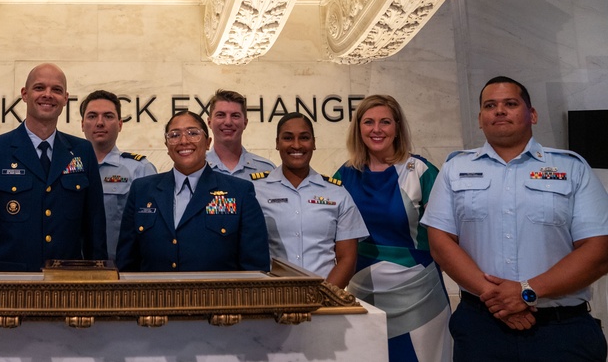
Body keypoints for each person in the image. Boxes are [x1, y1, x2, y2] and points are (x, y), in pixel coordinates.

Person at [423, 76, 608, 362]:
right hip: (482, 327)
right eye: (490, 105)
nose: (499, 111)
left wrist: (526, 291)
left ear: (532, 114)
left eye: (510, 103)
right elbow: (441, 243)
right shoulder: (454, 169)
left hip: (561, 330)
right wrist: (497, 298)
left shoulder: (572, 168)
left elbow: (598, 251)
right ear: (480, 118)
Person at [334, 94, 452, 362]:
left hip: (420, 295)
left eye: (385, 122)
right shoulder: (344, 174)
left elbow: (446, 237)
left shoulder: (421, 171)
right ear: (358, 128)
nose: (377, 129)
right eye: (369, 122)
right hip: (362, 294)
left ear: (397, 127)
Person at [0, 63, 108, 271]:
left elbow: (94, 229)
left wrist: (97, 283)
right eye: (39, 88)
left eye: (56, 90)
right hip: (8, 284)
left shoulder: (82, 151)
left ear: (65, 98)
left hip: (66, 284)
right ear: (24, 94)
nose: (48, 95)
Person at [115, 111, 269, 271]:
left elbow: (255, 268)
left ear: (208, 142)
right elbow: (127, 263)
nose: (183, 141)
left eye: (193, 133)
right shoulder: (142, 190)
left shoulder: (239, 192)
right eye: (174, 135)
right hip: (157, 295)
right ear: (167, 146)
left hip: (216, 295)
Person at [252, 113, 367, 288]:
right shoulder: (255, 190)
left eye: (304, 138)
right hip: (271, 297)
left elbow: (347, 258)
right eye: (288, 138)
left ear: (314, 143)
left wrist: (322, 298)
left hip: (325, 299)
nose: (296, 145)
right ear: (277, 143)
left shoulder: (337, 193)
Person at [80, 90, 157, 262]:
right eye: (92, 116)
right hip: (71, 269)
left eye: (108, 116)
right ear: (82, 124)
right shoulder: (68, 169)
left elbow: (152, 229)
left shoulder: (139, 169)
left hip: (121, 271)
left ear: (120, 124)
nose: (100, 123)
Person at [206, 89, 275, 179]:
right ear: (209, 122)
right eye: (220, 115)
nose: (228, 122)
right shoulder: (196, 169)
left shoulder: (266, 169)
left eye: (235, 116)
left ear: (245, 123)